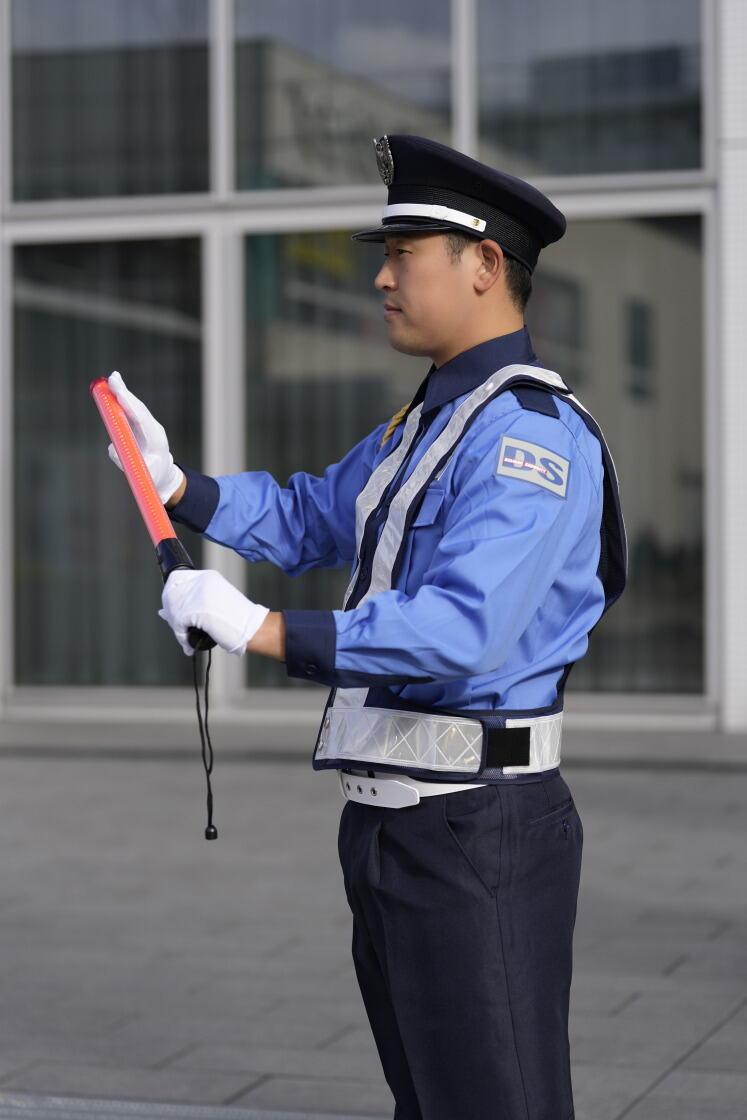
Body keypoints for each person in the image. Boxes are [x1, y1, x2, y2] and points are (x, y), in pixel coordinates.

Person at [107, 134, 626, 1120]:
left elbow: (460, 630)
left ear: (484, 266)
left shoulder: (529, 438)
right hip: (392, 822)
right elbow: (311, 514)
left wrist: (257, 628)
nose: (381, 276)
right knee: (429, 1101)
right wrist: (177, 486)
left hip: (481, 825)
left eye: (405, 253)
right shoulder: (423, 425)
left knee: (494, 1102)